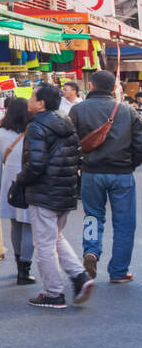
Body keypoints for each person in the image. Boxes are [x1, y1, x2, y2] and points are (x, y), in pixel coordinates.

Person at [22, 84, 94, 309]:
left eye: (32, 97)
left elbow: (35, 163)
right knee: (55, 237)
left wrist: (21, 180)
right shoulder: (66, 121)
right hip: (65, 190)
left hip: (45, 192)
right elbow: (77, 156)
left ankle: (53, 293)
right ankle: (80, 276)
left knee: (44, 243)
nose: (29, 101)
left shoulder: (36, 127)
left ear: (41, 103)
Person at [68, 70, 140, 283]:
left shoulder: (78, 110)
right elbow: (139, 144)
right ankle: (118, 271)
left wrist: (80, 165)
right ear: (113, 88)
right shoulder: (128, 111)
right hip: (122, 174)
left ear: (91, 86)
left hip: (91, 173)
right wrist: (130, 164)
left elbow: (70, 144)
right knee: (124, 223)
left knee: (92, 216)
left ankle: (91, 250)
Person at [0, 97, 34, 285]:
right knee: (28, 225)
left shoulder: (0, 133)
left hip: (10, 184)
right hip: (29, 180)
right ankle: (25, 269)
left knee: (15, 224)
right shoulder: (33, 130)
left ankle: (18, 266)